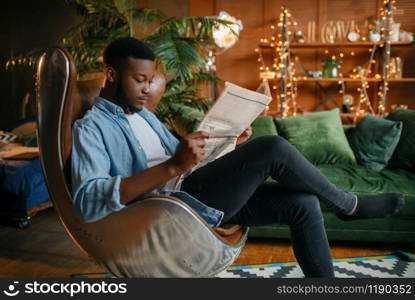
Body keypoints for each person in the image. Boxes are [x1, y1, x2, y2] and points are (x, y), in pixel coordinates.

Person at [71, 37, 405, 278]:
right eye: (139, 80)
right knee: (271, 147)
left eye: (150, 81)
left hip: (194, 191)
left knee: (303, 203)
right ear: (112, 75)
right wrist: (174, 165)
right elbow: (88, 199)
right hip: (170, 210)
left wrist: (227, 142)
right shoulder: (91, 128)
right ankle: (349, 206)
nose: (147, 89)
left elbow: (189, 162)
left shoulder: (144, 116)